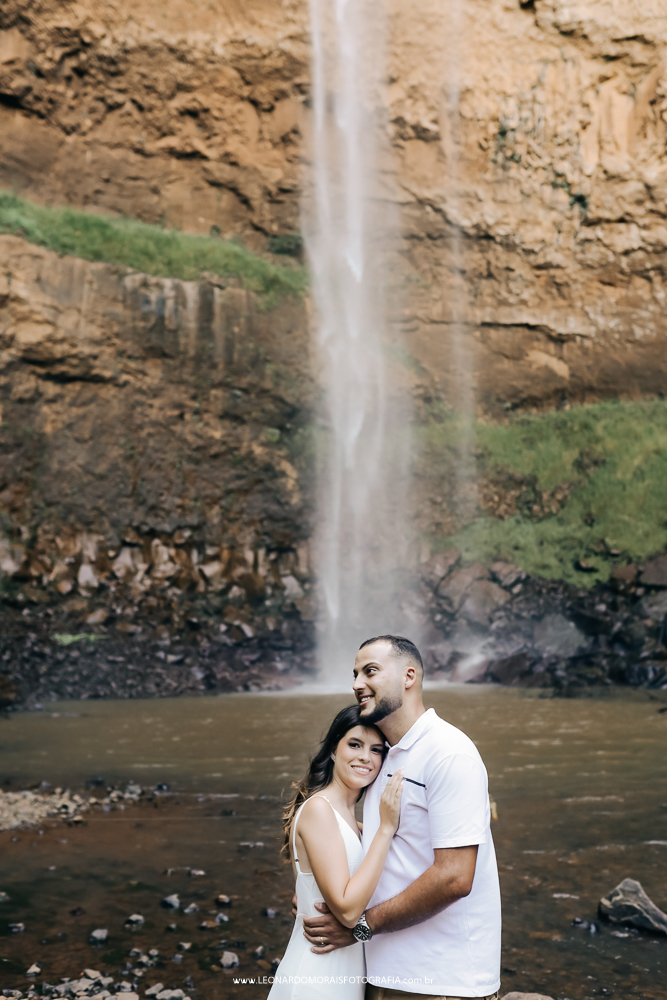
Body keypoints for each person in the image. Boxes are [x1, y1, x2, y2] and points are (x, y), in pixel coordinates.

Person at [302, 635, 502, 1000]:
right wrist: (318, 889)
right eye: (355, 674)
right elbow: (393, 841)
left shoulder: (448, 753)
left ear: (408, 676)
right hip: (384, 974)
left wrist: (361, 928)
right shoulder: (384, 756)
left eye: (370, 671)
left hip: (440, 981)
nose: (356, 684)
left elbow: (455, 877)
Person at [269, 704, 405, 1000]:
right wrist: (385, 828)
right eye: (354, 745)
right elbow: (346, 909)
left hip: (341, 976)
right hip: (315, 978)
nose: (364, 758)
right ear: (333, 749)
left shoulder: (350, 820)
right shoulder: (320, 809)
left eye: (376, 750)